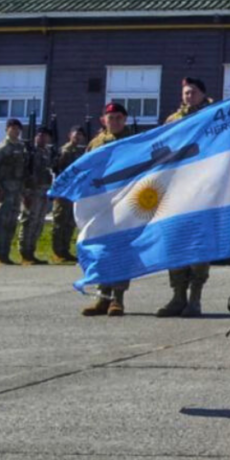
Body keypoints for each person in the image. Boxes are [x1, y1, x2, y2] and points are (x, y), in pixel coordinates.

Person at [155, 77, 215, 318]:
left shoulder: (213, 117)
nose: (188, 96)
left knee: (198, 245)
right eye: (185, 92)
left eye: (193, 92)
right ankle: (177, 295)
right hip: (176, 190)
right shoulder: (173, 120)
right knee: (176, 243)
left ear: (202, 94)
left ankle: (195, 298)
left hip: (202, 188)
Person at [80, 102, 134, 317]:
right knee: (101, 249)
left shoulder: (134, 142)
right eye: (111, 118)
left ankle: (117, 299)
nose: (115, 122)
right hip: (100, 204)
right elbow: (84, 170)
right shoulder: (96, 143)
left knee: (120, 249)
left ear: (125, 120)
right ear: (104, 120)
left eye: (119, 118)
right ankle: (102, 297)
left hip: (124, 202)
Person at [0, 118, 28, 265]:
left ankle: (6, 255)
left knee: (11, 224)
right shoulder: (3, 148)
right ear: (7, 129)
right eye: (12, 128)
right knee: (1, 223)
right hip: (4, 191)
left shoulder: (21, 148)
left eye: (17, 128)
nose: (15, 131)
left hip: (16, 191)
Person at [18, 126, 54, 266]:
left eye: (45, 136)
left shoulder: (47, 152)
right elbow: (24, 172)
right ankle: (24, 253)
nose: (42, 138)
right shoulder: (29, 152)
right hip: (31, 192)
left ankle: (31, 252)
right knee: (28, 222)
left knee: (38, 223)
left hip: (43, 192)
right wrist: (25, 193)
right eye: (39, 135)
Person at [51, 126, 88, 263]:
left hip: (74, 191)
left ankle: (65, 251)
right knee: (60, 222)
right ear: (69, 135)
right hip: (63, 191)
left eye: (80, 135)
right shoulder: (65, 151)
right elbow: (59, 170)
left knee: (69, 222)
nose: (78, 137)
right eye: (76, 134)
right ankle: (57, 252)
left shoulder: (79, 152)